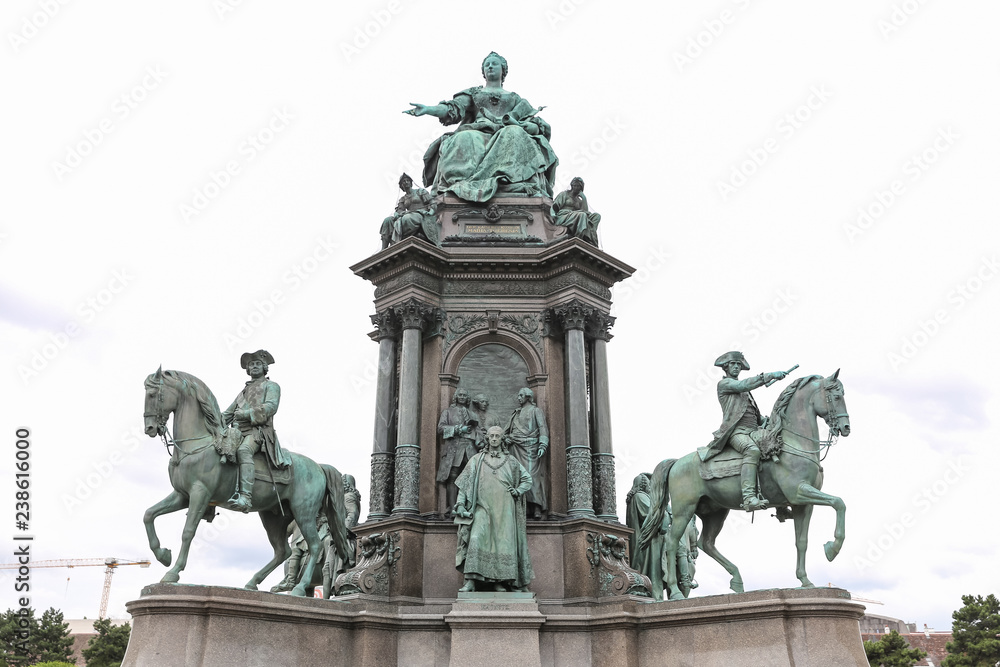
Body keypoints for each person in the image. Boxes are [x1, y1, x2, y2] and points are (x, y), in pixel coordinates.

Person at [404, 52, 558, 203]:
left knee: (514, 132)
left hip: (505, 131)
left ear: (503, 70)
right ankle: (461, 184)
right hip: (478, 131)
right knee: (463, 138)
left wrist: (526, 125)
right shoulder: (474, 93)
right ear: (483, 72)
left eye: (494, 64)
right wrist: (428, 109)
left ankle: (505, 178)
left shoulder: (514, 98)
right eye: (487, 65)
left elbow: (533, 121)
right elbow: (453, 109)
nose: (490, 66)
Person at [697, 351, 788, 511]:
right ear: (726, 367)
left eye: (739, 364)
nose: (736, 367)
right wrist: (770, 375)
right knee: (752, 451)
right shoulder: (725, 385)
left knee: (774, 448)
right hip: (736, 433)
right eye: (733, 364)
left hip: (753, 431)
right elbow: (743, 385)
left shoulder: (745, 392)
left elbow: (753, 414)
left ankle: (780, 504)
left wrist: (768, 421)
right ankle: (748, 498)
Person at [454, 426, 534, 592]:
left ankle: (498, 582)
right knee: (476, 537)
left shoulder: (511, 461)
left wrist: (518, 490)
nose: (495, 439)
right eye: (492, 436)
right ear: (487, 438)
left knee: (503, 545)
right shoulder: (477, 459)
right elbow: (464, 485)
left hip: (505, 510)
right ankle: (470, 581)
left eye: (498, 436)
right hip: (483, 507)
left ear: (502, 439)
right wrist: (461, 504)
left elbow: (527, 479)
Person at [221, 350, 291, 512]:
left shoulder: (271, 386)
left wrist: (246, 414)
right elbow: (227, 414)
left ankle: (245, 497)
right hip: (238, 432)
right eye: (251, 365)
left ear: (265, 367)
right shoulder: (243, 392)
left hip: (258, 432)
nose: (253, 367)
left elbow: (271, 407)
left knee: (244, 450)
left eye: (257, 364)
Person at [503, 388, 549, 520]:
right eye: (518, 395)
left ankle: (537, 507)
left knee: (532, 477)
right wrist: (505, 438)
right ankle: (523, 508)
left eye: (521, 395)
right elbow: (506, 430)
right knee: (517, 478)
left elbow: (543, 428)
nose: (518, 398)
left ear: (528, 397)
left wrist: (543, 444)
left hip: (531, 449)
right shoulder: (516, 414)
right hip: (515, 448)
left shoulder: (536, 411)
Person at [437, 388, 479, 517]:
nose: (462, 397)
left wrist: (480, 440)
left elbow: (479, 431)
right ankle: (452, 508)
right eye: (460, 395)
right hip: (455, 446)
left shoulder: (472, 414)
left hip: (470, 447)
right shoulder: (448, 412)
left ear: (467, 398)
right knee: (453, 476)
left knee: (472, 476)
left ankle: (470, 506)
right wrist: (458, 429)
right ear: (455, 397)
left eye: (464, 395)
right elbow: (440, 428)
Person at [379, 173, 439, 248]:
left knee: (407, 219)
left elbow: (432, 203)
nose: (406, 182)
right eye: (403, 181)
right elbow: (399, 210)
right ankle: (384, 249)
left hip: (421, 214)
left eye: (407, 180)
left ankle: (399, 243)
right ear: (402, 186)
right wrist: (397, 214)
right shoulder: (403, 199)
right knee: (387, 221)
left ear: (411, 183)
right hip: (409, 214)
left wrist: (430, 213)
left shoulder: (420, 191)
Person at [551, 177, 600, 245]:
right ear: (572, 186)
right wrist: (553, 215)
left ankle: (589, 238)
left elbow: (585, 211)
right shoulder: (564, 194)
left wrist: (584, 198)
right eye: (575, 185)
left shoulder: (579, 200)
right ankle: (579, 237)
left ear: (581, 188)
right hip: (563, 216)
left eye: (578, 186)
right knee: (582, 215)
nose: (576, 188)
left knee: (597, 216)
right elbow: (554, 206)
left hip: (576, 217)